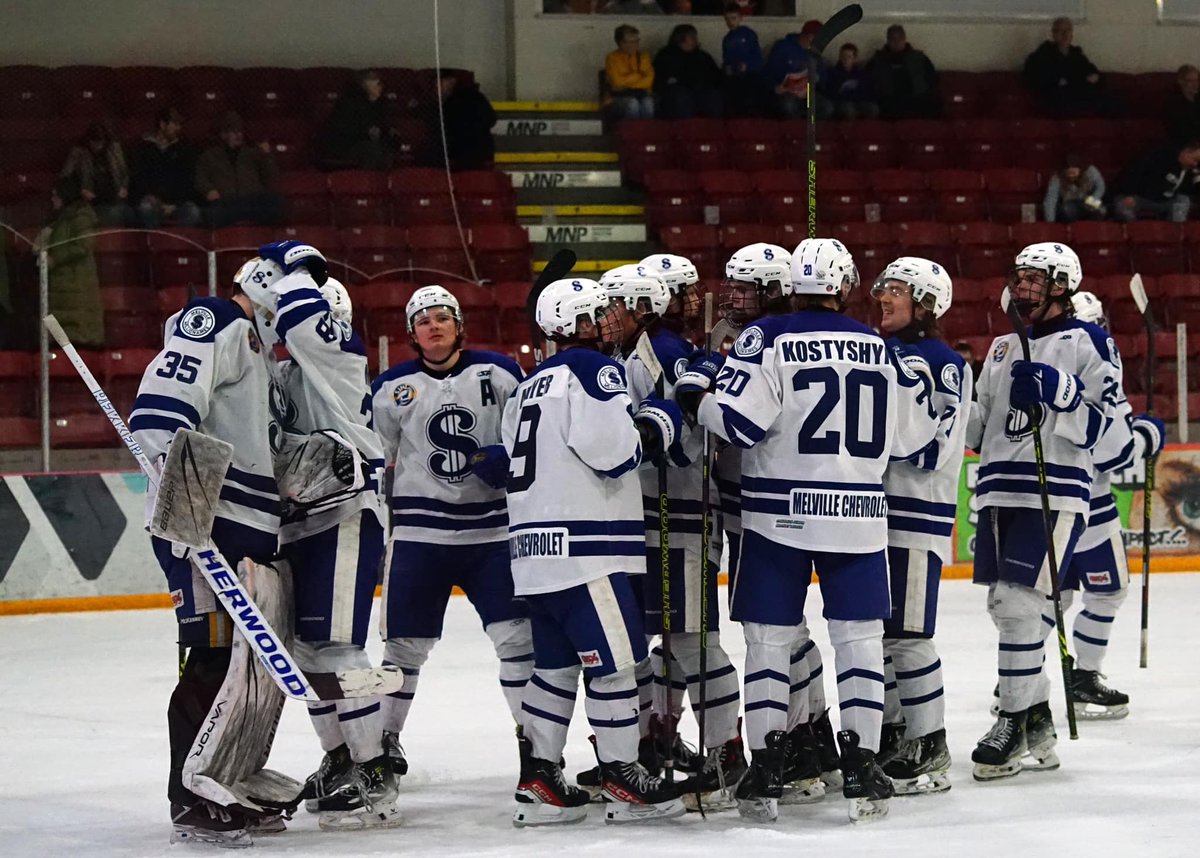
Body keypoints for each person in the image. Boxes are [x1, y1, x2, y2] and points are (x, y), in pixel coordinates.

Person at [676, 237, 939, 823]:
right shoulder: (881, 347)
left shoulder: (767, 338)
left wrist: (697, 398)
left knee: (768, 644)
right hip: (860, 521)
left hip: (778, 516)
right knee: (860, 643)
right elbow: (915, 441)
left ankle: (768, 763)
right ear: (845, 288)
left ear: (790, 287)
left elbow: (739, 424)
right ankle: (865, 765)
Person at [502, 276, 686, 825]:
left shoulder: (527, 386)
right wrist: (659, 423)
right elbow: (612, 453)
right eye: (595, 316)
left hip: (534, 555)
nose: (606, 323)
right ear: (572, 325)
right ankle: (622, 776)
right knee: (614, 670)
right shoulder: (593, 370)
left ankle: (539, 778)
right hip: (589, 555)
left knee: (554, 670)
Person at [239, 242, 398, 830]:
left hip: (345, 513)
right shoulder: (282, 368)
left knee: (335, 648)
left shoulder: (337, 354)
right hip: (301, 518)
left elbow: (304, 320)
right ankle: (339, 758)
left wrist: (296, 265)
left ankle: (374, 765)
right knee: (305, 654)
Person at [129, 255, 282, 846]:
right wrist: (186, 501)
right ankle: (188, 795)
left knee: (241, 668)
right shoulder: (219, 321)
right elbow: (161, 409)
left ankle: (224, 780)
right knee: (212, 658)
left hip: (239, 525)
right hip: (205, 524)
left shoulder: (256, 353)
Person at [965, 242, 1119, 781]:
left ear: (1062, 285)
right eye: (1020, 277)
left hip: (1054, 491)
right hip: (999, 491)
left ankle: (1009, 723)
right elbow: (980, 430)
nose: (1023, 286)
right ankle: (1036, 722)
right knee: (1007, 609)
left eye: (1036, 278)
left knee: (1017, 605)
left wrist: (1066, 392)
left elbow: (1115, 438)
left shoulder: (1088, 340)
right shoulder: (1005, 346)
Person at [370, 286, 534, 791]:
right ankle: (379, 744)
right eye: (423, 321)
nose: (434, 326)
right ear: (411, 332)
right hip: (421, 536)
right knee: (402, 647)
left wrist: (513, 462)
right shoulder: (391, 386)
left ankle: (534, 743)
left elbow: (532, 435)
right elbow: (375, 458)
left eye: (443, 318)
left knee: (517, 642)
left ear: (459, 324)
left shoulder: (501, 371)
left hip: (493, 532)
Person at [601, 262, 747, 808]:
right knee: (646, 643)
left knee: (690, 641)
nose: (603, 317)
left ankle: (725, 757)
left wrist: (666, 424)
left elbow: (686, 442)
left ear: (641, 307)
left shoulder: (661, 351)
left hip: (679, 519)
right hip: (642, 520)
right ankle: (652, 743)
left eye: (613, 306)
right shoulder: (625, 355)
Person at [713, 242, 840, 805]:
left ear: (774, 289)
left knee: (771, 632)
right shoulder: (760, 336)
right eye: (732, 284)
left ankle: (797, 739)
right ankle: (812, 737)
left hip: (767, 506)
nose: (733, 295)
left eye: (746, 287)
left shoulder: (769, 339)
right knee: (786, 631)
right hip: (763, 502)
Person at [1030, 291, 1164, 720]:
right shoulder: (1094, 359)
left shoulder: (1035, 357)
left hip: (1045, 502)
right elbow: (1113, 453)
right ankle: (1083, 678)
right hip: (1090, 505)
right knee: (1108, 591)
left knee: (1055, 596)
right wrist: (1147, 437)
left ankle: (1017, 680)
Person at [870, 257, 971, 796]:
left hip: (915, 517)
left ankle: (930, 742)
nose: (884, 297)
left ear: (927, 302)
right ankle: (894, 731)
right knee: (883, 637)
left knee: (909, 636)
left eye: (898, 291)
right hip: (876, 516)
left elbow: (934, 450)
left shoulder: (942, 361)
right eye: (883, 288)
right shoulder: (878, 350)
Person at [36, 177, 104, 348]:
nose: (53, 199)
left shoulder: (80, 217)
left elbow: (83, 245)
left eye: (55, 195)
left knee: (78, 339)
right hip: (62, 287)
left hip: (76, 286)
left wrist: (55, 258)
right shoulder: (58, 219)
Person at [194, 112, 283, 229]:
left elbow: (271, 178)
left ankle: (242, 213)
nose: (238, 135)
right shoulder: (209, 156)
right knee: (210, 215)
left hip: (251, 200)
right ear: (223, 135)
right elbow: (200, 178)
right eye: (234, 132)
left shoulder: (253, 154)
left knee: (277, 205)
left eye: (240, 132)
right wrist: (208, 189)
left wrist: (267, 156)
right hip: (226, 202)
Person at [1023, 17, 1116, 118]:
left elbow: (1094, 73)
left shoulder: (1077, 54)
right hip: (1057, 99)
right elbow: (1035, 76)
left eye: (1068, 30)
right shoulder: (1043, 54)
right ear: (1053, 34)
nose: (1065, 34)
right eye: (1061, 31)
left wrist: (1093, 77)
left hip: (1080, 94)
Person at [129, 107, 200, 229]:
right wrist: (149, 196)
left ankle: (177, 244)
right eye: (175, 124)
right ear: (162, 124)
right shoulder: (144, 148)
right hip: (153, 201)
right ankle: (154, 244)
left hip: (177, 202)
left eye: (179, 124)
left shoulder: (184, 149)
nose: (178, 128)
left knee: (193, 211)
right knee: (146, 208)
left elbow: (188, 180)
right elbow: (138, 178)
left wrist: (175, 204)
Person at [58, 121, 132, 227]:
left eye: (101, 143)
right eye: (95, 143)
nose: (98, 147)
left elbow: (124, 173)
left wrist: (124, 188)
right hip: (90, 199)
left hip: (114, 197)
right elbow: (65, 178)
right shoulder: (79, 151)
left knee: (124, 214)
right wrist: (80, 191)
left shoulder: (114, 148)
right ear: (89, 140)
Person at [317, 70, 395, 171]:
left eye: (380, 84)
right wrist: (367, 131)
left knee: (386, 150)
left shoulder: (381, 104)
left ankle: (382, 182)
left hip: (365, 142)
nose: (380, 87)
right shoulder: (349, 103)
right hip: (344, 144)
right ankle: (365, 182)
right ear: (364, 86)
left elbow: (382, 125)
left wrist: (386, 131)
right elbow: (342, 128)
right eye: (376, 84)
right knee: (372, 151)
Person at [1111, 138, 1200, 223]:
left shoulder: (1191, 171)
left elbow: (1190, 190)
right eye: (1194, 160)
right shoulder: (1161, 157)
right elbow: (1135, 173)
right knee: (1122, 206)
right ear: (1187, 152)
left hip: (1164, 202)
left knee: (1183, 200)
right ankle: (1134, 234)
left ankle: (1176, 233)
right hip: (1141, 198)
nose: (1195, 164)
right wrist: (1129, 194)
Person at [868, 25, 940, 120]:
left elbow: (932, 78)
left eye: (900, 39)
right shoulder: (878, 60)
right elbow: (868, 81)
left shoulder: (919, 58)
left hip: (916, 97)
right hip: (889, 99)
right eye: (893, 39)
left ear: (905, 39)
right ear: (888, 40)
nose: (896, 42)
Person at [654, 23, 723, 119]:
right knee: (680, 97)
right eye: (691, 37)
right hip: (678, 93)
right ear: (680, 38)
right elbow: (660, 78)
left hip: (700, 91)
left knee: (712, 96)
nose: (695, 39)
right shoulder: (666, 55)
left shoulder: (702, 56)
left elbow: (715, 75)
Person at [766, 20, 832, 119]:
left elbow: (823, 79)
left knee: (826, 107)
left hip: (807, 95)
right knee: (788, 106)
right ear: (811, 37)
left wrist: (816, 80)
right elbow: (769, 72)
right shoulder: (783, 47)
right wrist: (775, 87)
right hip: (786, 94)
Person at [436, 71, 497, 171]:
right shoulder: (477, 96)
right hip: (483, 152)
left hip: (459, 154)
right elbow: (492, 120)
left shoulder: (449, 105)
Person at [721, 2, 769, 117]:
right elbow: (726, 58)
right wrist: (727, 67)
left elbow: (757, 56)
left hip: (751, 74)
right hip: (734, 75)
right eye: (727, 19)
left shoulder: (749, 34)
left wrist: (747, 65)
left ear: (740, 18)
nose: (730, 22)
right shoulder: (727, 39)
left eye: (733, 18)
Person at [605, 24, 656, 120]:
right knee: (632, 104)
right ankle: (633, 132)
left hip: (641, 94)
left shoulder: (644, 57)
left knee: (648, 103)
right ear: (620, 43)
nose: (634, 45)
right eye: (630, 42)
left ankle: (647, 132)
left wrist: (627, 82)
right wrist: (638, 76)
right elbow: (617, 82)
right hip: (618, 98)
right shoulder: (612, 58)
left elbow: (649, 81)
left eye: (636, 41)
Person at [1043, 154, 1106, 223]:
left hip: (1089, 200)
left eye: (1074, 173)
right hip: (1069, 204)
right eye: (1069, 173)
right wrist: (1051, 223)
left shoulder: (1091, 171)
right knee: (1066, 210)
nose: (1071, 176)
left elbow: (1100, 186)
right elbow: (1050, 201)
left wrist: (1094, 199)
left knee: (1101, 210)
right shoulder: (1056, 179)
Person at [824, 43, 879, 120]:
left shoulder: (861, 74)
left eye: (849, 57)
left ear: (854, 59)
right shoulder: (833, 72)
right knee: (848, 108)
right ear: (839, 57)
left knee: (873, 109)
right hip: (841, 102)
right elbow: (831, 93)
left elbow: (867, 92)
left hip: (858, 101)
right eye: (843, 56)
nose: (845, 59)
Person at [1165, 64, 1200, 143]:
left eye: (1197, 80)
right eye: (1190, 80)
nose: (1196, 84)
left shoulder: (1198, 99)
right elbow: (1178, 132)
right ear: (1180, 81)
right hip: (1185, 143)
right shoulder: (1174, 103)